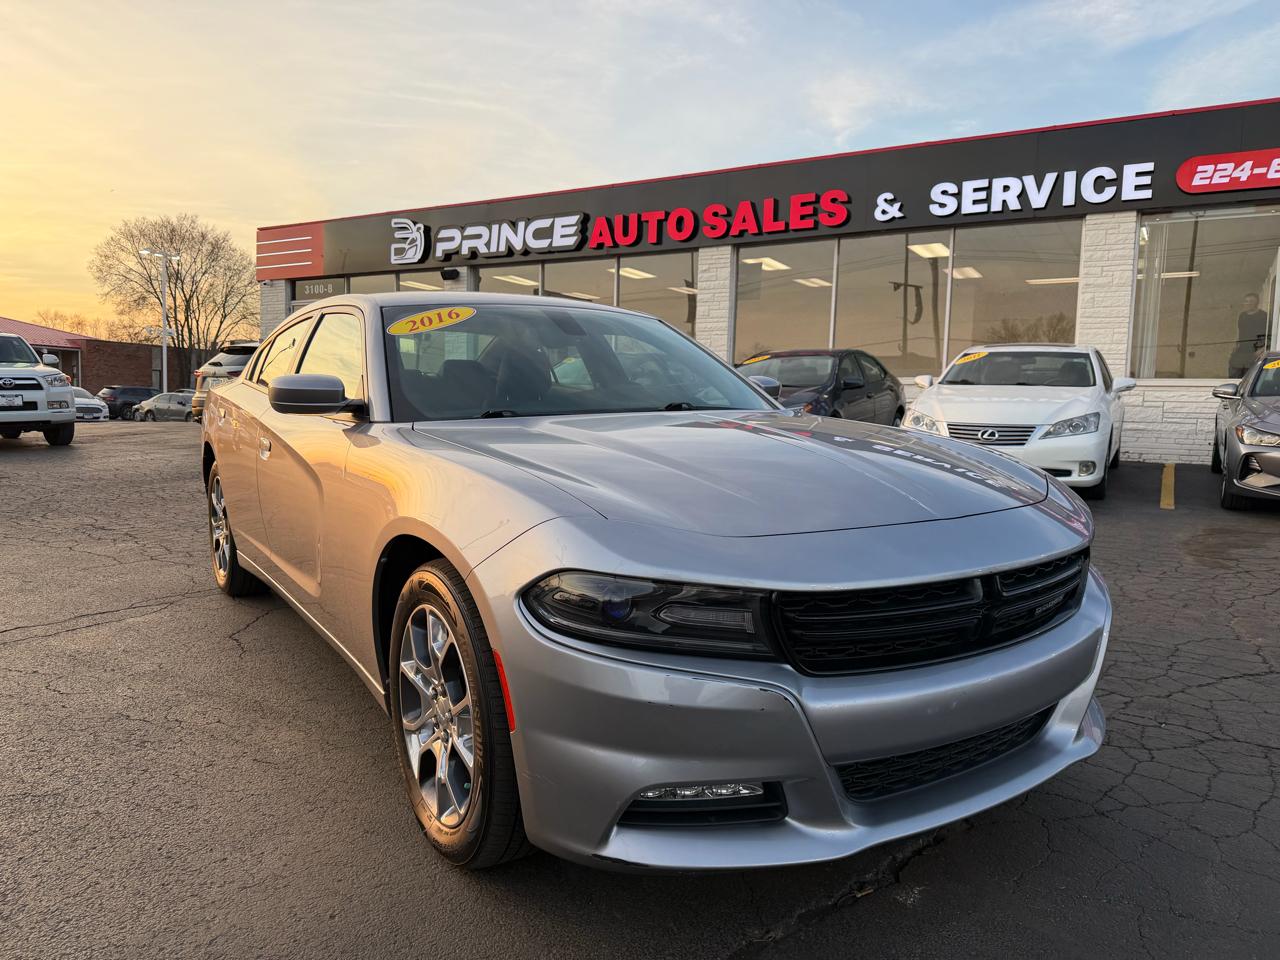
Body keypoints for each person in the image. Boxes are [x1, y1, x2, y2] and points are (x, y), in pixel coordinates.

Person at [1229, 293, 1269, 377]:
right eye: (1246, 301)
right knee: (1234, 372)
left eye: (1251, 301)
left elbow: (1270, 335)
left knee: (1250, 375)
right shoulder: (1242, 316)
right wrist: (1236, 345)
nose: (1248, 303)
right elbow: (1240, 332)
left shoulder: (1263, 316)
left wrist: (1262, 349)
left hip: (1255, 351)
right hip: (1242, 350)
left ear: (1257, 303)